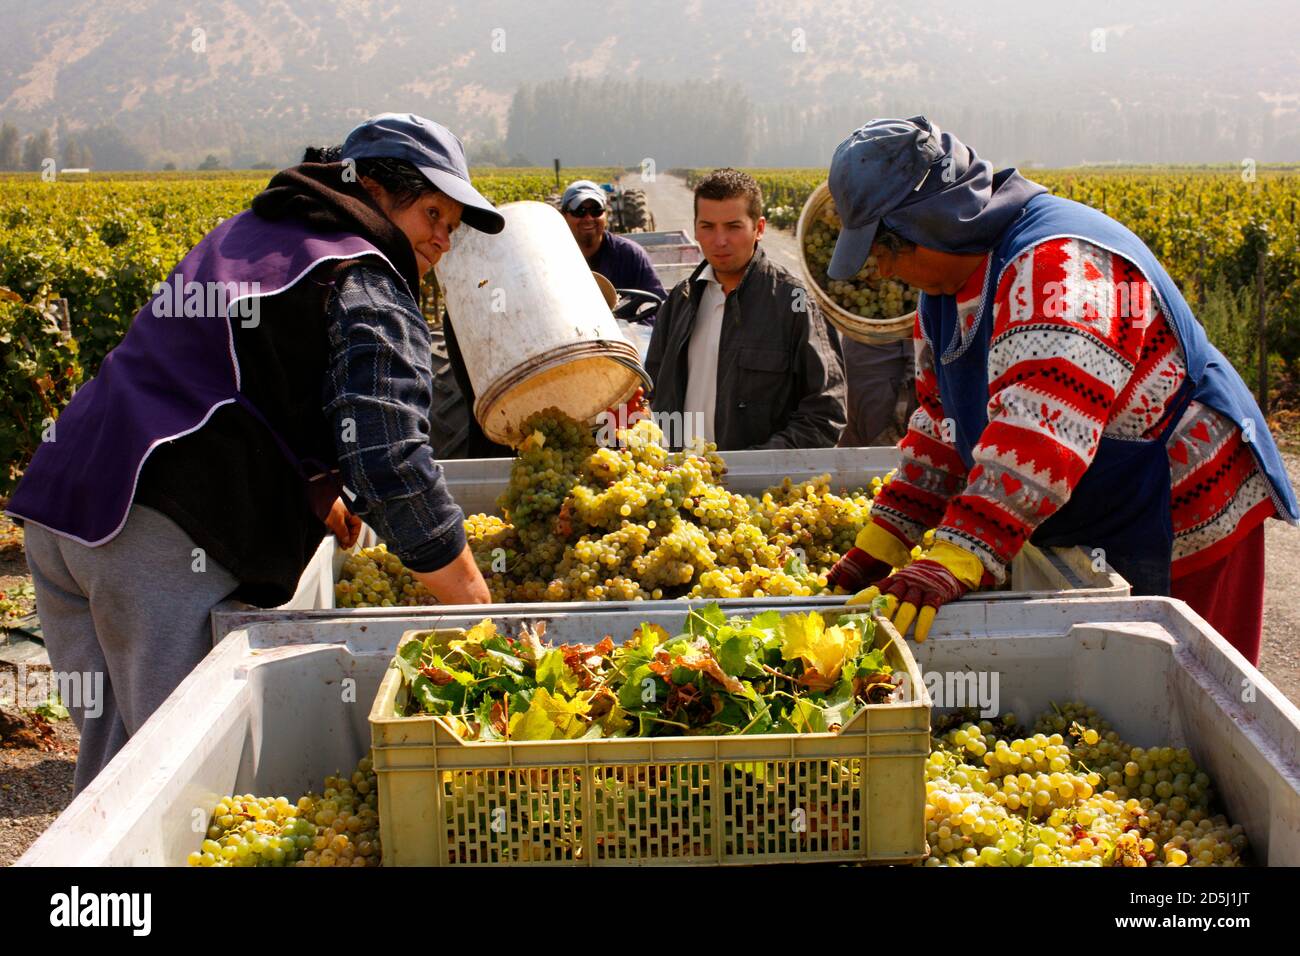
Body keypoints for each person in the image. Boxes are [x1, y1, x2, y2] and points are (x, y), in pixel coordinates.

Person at [7, 113, 503, 792]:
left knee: (119, 775)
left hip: (64, 510)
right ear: (378, 192)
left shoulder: (256, 232)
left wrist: (317, 482)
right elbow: (390, 456)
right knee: (189, 785)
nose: (443, 238)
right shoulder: (364, 271)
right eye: (432, 212)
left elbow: (240, 376)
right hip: (152, 532)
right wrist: (474, 606)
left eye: (454, 223)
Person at [824, 117, 1297, 661]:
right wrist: (884, 539)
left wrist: (961, 551)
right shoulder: (942, 295)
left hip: (1183, 507)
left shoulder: (1056, 268)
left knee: (1192, 689)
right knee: (1116, 671)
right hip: (1102, 500)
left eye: (885, 250)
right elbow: (939, 424)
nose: (880, 270)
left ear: (928, 224)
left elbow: (1042, 431)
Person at [645, 168, 847, 450]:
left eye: (733, 226)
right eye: (707, 227)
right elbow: (652, 393)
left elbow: (826, 413)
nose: (719, 241)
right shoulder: (680, 301)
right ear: (695, 229)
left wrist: (755, 465)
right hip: (682, 481)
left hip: (752, 489)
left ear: (759, 229)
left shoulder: (796, 303)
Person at [560, 179, 666, 303]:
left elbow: (657, 307)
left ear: (606, 214)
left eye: (596, 211)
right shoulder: (550, 261)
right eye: (579, 211)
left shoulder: (632, 256)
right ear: (564, 216)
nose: (588, 218)